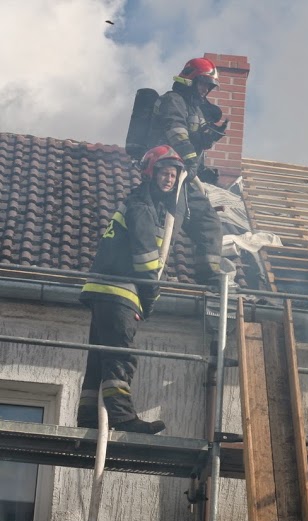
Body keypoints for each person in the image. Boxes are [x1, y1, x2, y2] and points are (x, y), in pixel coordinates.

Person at [76, 146, 186, 434]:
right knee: (120, 355)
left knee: (100, 357)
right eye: (165, 172)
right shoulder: (142, 207)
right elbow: (147, 261)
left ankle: (88, 415)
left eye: (174, 175)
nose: (169, 179)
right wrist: (150, 298)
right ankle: (122, 417)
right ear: (151, 172)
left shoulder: (144, 204)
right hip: (120, 292)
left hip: (104, 292)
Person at [146, 57, 225, 285]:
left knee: (209, 222)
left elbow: (192, 142)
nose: (205, 90)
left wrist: (203, 150)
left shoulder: (196, 109)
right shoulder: (173, 100)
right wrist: (191, 159)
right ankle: (152, 272)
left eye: (208, 87)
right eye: (202, 84)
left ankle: (209, 277)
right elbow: (176, 131)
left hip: (187, 178)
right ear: (190, 79)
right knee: (169, 223)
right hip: (167, 175)